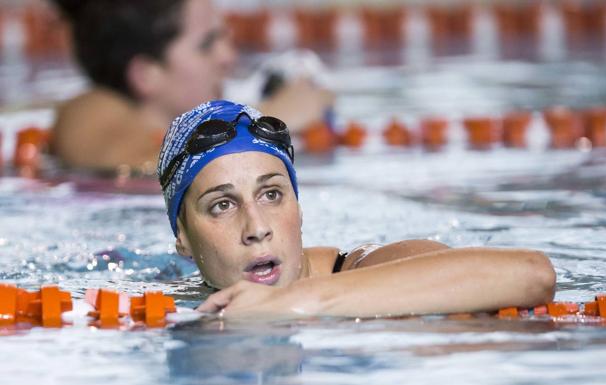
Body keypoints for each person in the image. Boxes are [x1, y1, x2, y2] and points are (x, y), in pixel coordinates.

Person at [157, 100, 557, 319]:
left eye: (273, 194)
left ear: (299, 208)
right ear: (183, 238)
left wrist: (297, 300)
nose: (257, 228)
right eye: (222, 205)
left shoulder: (370, 269)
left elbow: (531, 273)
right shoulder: (169, 306)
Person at [50, 0, 333, 173]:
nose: (228, 56)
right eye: (207, 45)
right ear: (146, 74)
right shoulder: (88, 110)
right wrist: (265, 119)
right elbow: (133, 165)